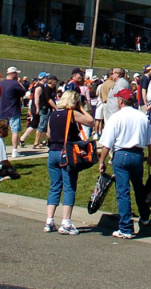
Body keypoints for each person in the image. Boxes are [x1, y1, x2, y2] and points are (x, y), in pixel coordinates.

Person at [98, 87, 151, 240]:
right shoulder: (142, 116)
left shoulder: (116, 117)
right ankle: (144, 216)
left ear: (121, 101)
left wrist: (101, 160)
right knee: (139, 188)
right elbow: (150, 140)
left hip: (121, 154)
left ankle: (125, 227)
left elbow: (107, 143)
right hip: (137, 154)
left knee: (123, 191)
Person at [45, 90, 94, 234]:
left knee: (54, 186)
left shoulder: (53, 115)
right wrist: (80, 108)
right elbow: (90, 121)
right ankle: (66, 222)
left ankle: (49, 221)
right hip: (65, 153)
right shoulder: (72, 114)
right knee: (69, 187)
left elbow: (49, 133)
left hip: (52, 151)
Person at [0, 66, 26, 158]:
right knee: (14, 131)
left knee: (1, 130)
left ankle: (0, 150)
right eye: (16, 73)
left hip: (2, 110)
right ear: (13, 74)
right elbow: (23, 92)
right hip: (13, 110)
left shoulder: (1, 83)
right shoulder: (15, 84)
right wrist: (19, 82)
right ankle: (14, 150)